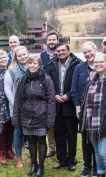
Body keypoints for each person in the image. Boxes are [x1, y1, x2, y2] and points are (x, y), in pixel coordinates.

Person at [12, 55, 55, 177]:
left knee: (41, 140)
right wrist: (16, 118)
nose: (32, 65)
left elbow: (51, 100)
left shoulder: (46, 80)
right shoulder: (22, 80)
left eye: (35, 63)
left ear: (40, 65)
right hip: (26, 116)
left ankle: (41, 167)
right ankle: (34, 165)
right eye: (30, 63)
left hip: (41, 115)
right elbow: (17, 101)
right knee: (31, 140)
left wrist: (50, 119)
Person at [47, 43, 82, 172]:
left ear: (68, 51)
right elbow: (48, 82)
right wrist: (54, 94)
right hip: (56, 105)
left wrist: (69, 96)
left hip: (71, 105)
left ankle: (71, 160)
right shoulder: (52, 64)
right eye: (59, 51)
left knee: (71, 135)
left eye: (63, 50)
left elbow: (79, 83)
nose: (61, 52)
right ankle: (61, 160)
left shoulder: (77, 63)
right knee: (59, 134)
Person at [70, 41, 98, 177]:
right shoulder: (79, 68)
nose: (88, 54)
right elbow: (74, 89)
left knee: (97, 138)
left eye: (89, 51)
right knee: (86, 138)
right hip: (83, 109)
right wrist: (77, 107)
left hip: (99, 110)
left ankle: (97, 167)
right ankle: (87, 166)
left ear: (95, 50)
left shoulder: (102, 66)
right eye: (85, 52)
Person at [4, 46, 29, 168]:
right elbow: (7, 89)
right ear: (16, 57)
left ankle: (34, 157)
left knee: (32, 132)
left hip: (32, 107)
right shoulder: (12, 71)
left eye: (24, 54)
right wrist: (15, 105)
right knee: (18, 132)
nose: (23, 57)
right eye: (20, 55)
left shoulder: (33, 67)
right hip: (17, 107)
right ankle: (19, 158)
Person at [40, 30, 59, 158]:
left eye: (54, 40)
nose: (51, 42)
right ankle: (52, 148)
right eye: (49, 40)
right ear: (47, 41)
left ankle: (63, 146)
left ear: (57, 41)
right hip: (46, 93)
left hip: (60, 93)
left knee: (61, 123)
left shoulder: (62, 53)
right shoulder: (42, 56)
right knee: (50, 121)